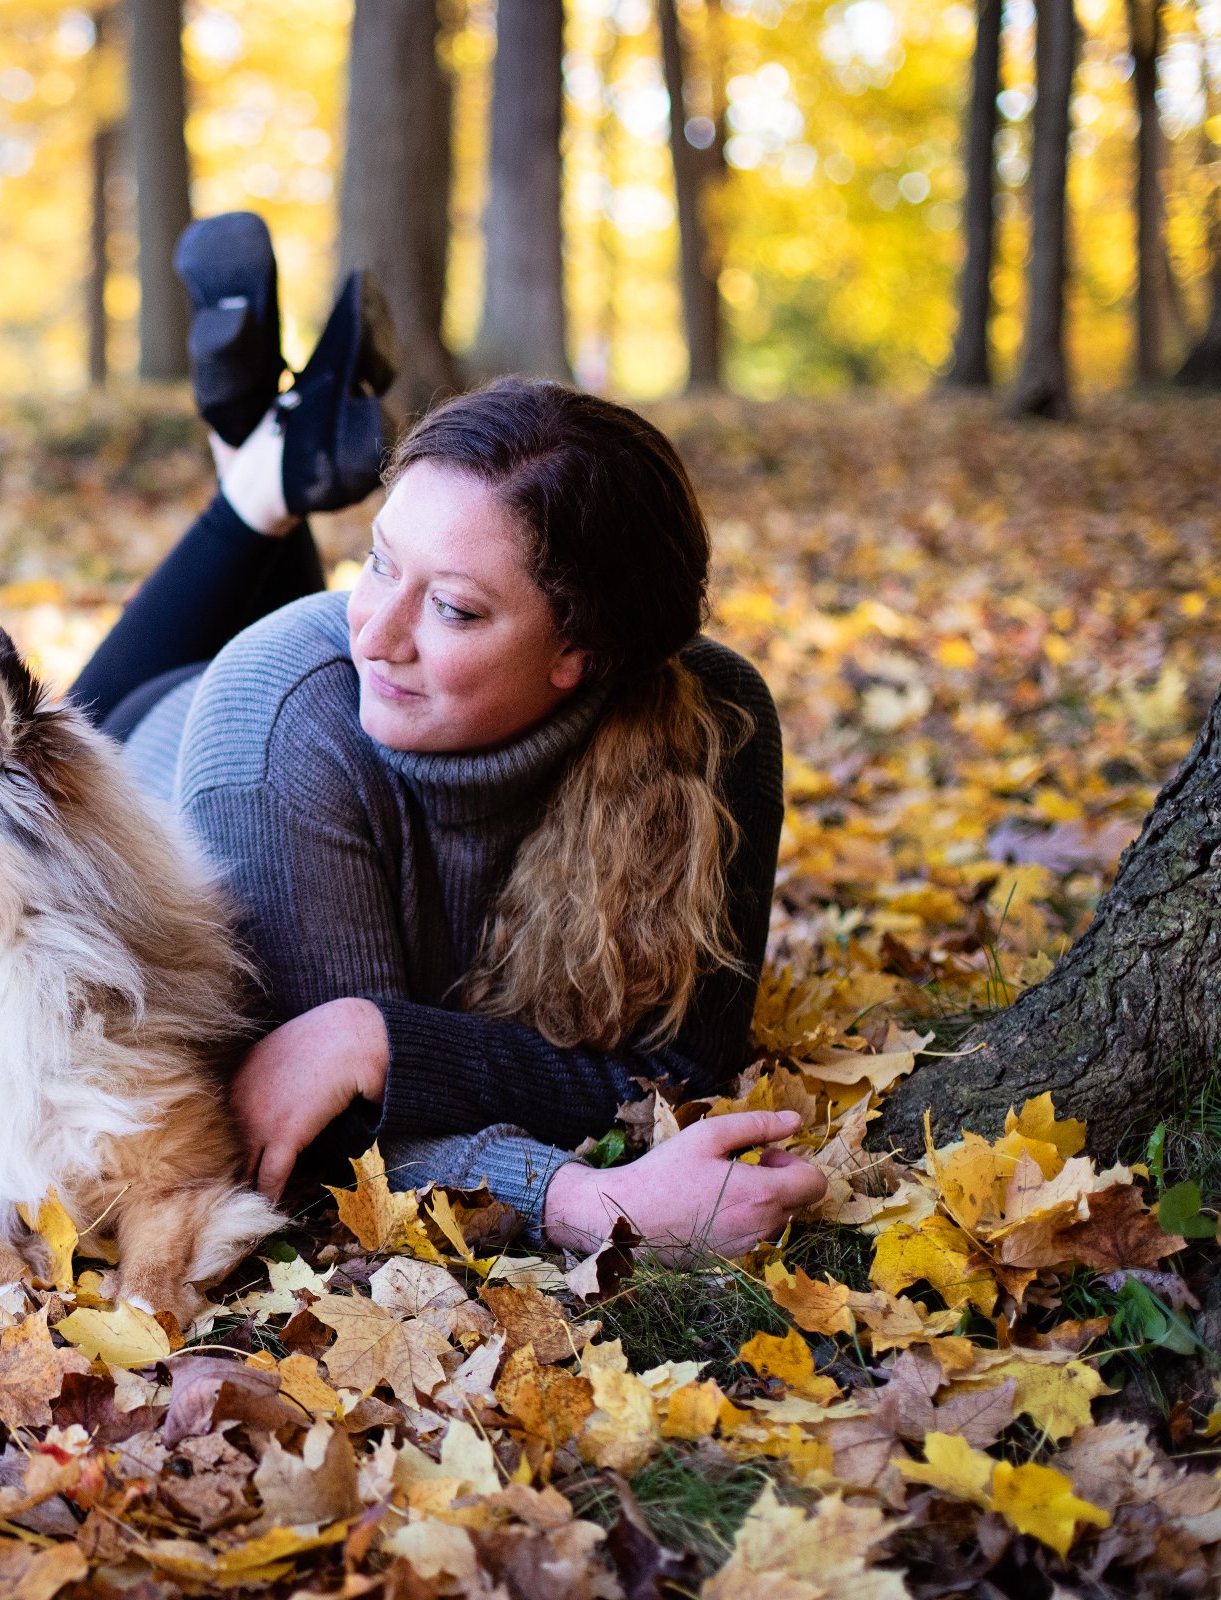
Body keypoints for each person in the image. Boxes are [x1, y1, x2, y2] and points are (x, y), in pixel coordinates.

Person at [71, 213, 825, 1260]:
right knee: (48, 742)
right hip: (168, 732)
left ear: (583, 655)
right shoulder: (285, 714)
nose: (375, 628)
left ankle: (270, 447)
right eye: (375, 559)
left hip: (299, 718)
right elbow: (314, 1141)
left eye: (456, 609)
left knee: (330, 672)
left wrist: (380, 1036)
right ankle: (263, 477)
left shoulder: (712, 724)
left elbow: (679, 1067)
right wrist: (580, 1200)